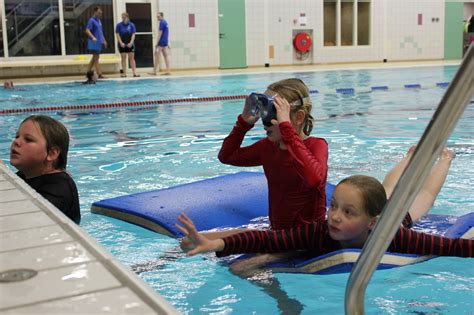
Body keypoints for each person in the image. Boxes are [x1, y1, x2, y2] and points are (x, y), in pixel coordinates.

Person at [176, 174, 473, 259]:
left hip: (391, 221)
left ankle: (444, 158)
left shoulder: (391, 235)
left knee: (420, 201)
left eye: (347, 212)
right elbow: (267, 238)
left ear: (371, 221)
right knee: (386, 187)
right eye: (333, 206)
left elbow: (450, 247)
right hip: (375, 208)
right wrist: (215, 244)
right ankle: (408, 158)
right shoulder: (321, 231)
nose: (334, 217)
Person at [214, 78, 328, 237]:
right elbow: (227, 156)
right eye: (263, 111)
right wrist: (243, 124)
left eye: (273, 113)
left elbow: (314, 179)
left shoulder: (317, 145)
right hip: (278, 234)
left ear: (299, 117)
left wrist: (287, 131)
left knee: (238, 259)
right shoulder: (267, 147)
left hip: (308, 237)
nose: (265, 122)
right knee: (205, 240)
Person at [10, 115, 81, 224]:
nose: (16, 142)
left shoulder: (60, 188)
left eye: (28, 139)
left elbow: (24, 219)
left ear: (52, 153)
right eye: (17, 136)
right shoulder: (25, 174)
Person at [85, 6, 108, 79]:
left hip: (99, 41)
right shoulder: (91, 20)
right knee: (96, 58)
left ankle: (87, 72)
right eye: (98, 13)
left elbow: (100, 31)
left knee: (94, 58)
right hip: (94, 41)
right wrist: (93, 37)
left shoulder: (99, 20)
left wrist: (104, 40)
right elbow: (87, 30)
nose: (100, 14)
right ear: (95, 12)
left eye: (101, 13)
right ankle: (99, 74)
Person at [115, 12, 139, 78]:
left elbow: (133, 34)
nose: (123, 19)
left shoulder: (132, 25)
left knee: (131, 58)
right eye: (122, 18)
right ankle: (124, 73)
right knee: (123, 58)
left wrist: (131, 43)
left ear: (128, 17)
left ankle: (134, 73)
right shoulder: (118, 25)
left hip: (130, 43)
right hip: (122, 44)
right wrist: (121, 43)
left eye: (124, 18)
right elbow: (117, 35)